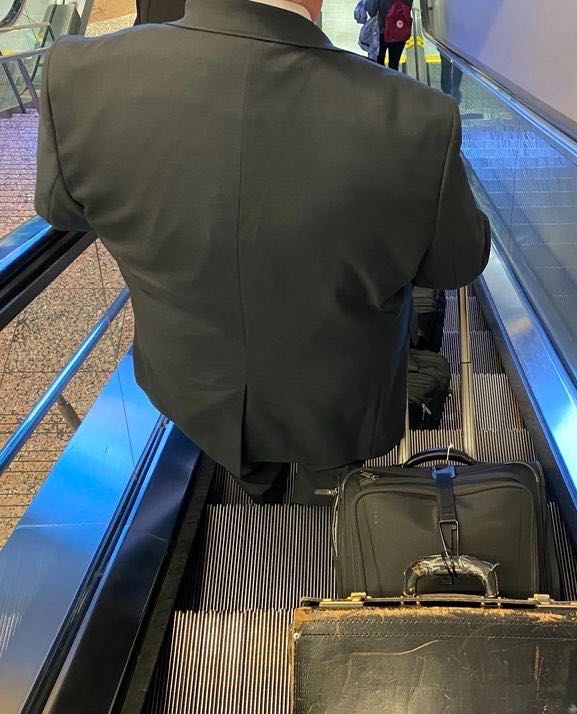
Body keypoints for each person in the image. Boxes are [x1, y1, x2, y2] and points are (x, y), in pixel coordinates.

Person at [35, 0, 490, 503]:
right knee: (330, 480)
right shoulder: (417, 118)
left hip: (189, 385)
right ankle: (329, 505)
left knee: (239, 467)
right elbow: (456, 264)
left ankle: (256, 489)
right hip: (340, 400)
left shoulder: (77, 75)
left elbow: (62, 209)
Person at [366, 0, 412, 71]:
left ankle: (380, 77)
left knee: (379, 65)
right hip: (399, 30)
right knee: (394, 65)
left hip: (381, 32)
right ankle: (393, 77)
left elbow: (372, 11)